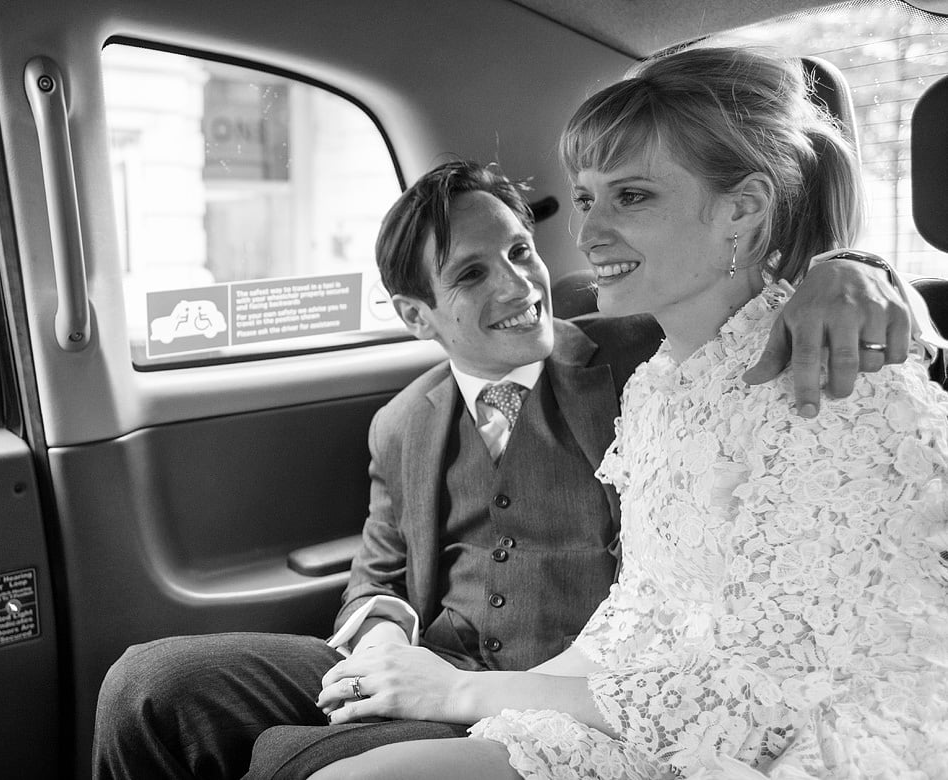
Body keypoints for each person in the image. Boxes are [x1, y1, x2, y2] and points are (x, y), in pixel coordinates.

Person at [92, 152, 916, 779]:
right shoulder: (400, 423)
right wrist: (381, 640)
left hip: (568, 691)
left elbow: (749, 291)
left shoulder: (644, 353)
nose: (522, 285)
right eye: (473, 274)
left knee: (288, 757)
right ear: (418, 315)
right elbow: (375, 575)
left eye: (522, 251)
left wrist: (853, 268)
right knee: (152, 683)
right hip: (437, 660)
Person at [307, 46, 948, 779]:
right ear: (415, 316)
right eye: (585, 199)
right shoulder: (656, 387)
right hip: (621, 697)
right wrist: (430, 675)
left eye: (632, 197)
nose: (583, 238)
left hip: (805, 741)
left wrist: (856, 266)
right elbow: (632, 622)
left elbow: (773, 698)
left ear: (741, 210)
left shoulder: (823, 369)